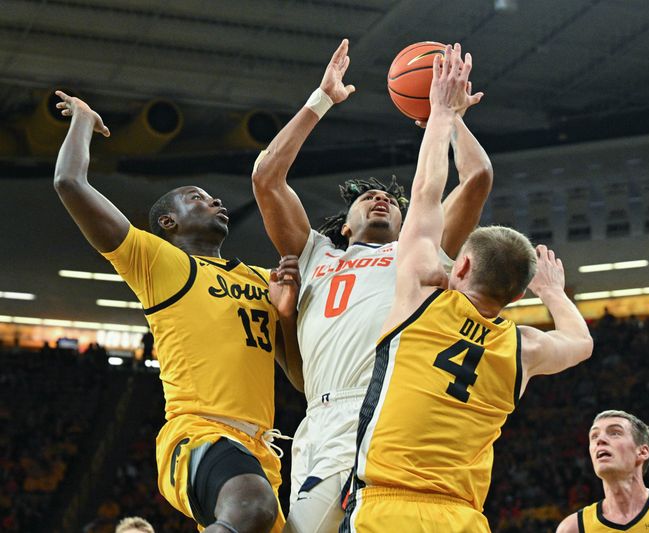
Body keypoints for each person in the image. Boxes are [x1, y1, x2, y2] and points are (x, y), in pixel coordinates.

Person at [340, 44, 593, 533]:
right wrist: (555, 293)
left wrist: (441, 115)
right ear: (518, 295)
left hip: (386, 506)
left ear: (462, 265)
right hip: (462, 518)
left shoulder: (419, 296)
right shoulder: (523, 346)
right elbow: (581, 343)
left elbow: (426, 192)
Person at [251, 39, 494, 532]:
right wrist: (320, 100)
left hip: (375, 412)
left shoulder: (414, 254)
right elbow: (266, 178)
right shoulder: (315, 251)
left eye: (391, 199)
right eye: (370, 198)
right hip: (313, 421)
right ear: (344, 224)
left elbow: (477, 177)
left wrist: (447, 118)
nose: (381, 199)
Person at [53, 91, 303, 533]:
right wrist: (84, 122)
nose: (216, 202)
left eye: (214, 199)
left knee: (255, 513)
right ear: (168, 223)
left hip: (259, 449)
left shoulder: (262, 278)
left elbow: (299, 380)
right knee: (251, 509)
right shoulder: (157, 262)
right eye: (198, 198)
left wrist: (285, 316)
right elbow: (69, 183)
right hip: (198, 434)